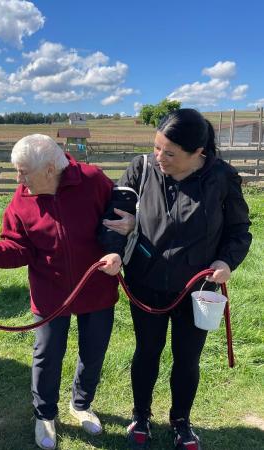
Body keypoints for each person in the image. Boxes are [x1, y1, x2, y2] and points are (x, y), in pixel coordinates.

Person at [0, 134, 130, 450]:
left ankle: (81, 405)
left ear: (49, 169)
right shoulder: (22, 200)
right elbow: (18, 248)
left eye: (23, 172)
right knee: (46, 355)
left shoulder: (94, 180)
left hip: (97, 288)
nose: (18, 180)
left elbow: (119, 224)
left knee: (93, 351)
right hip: (50, 294)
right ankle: (44, 414)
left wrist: (120, 249)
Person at [99, 109, 252, 450]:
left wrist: (226, 261)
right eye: (156, 148)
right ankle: (140, 415)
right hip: (146, 284)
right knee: (147, 351)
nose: (159, 158)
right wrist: (113, 250)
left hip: (198, 289)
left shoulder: (223, 179)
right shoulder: (141, 169)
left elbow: (239, 230)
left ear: (198, 153)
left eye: (169, 154)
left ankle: (181, 421)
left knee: (187, 358)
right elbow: (114, 218)